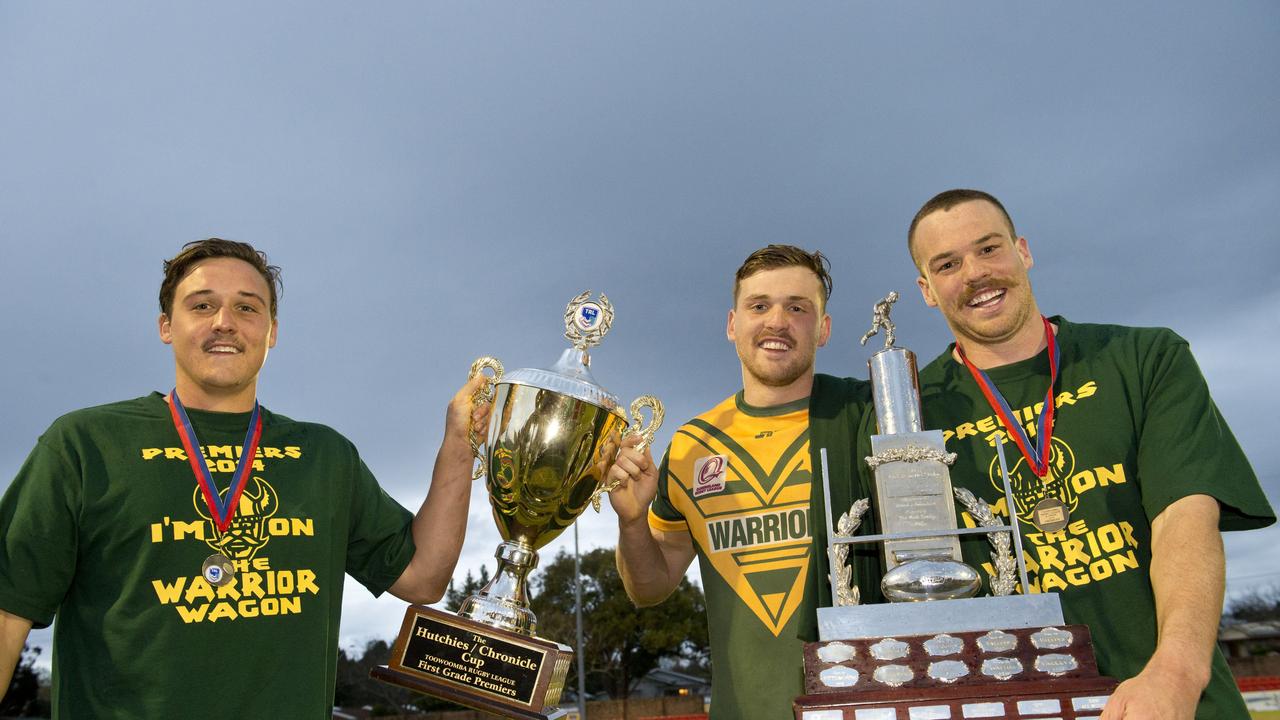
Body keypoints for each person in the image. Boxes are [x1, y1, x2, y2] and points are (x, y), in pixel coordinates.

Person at [0, 239, 489, 718]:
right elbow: (7, 614)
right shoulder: (85, 445)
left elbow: (423, 579)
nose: (224, 323)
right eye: (202, 305)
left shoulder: (325, 457)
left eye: (247, 308)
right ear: (166, 326)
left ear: (272, 331)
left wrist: (458, 445)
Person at [905, 189, 1275, 719]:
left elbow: (1184, 520)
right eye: (947, 264)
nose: (975, 273)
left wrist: (1175, 672)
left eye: (989, 249)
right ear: (926, 290)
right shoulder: (911, 412)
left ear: (1023, 251)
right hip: (1013, 704)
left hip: (1168, 700)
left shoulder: (1144, 358)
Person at [607, 245, 875, 720]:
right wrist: (631, 522)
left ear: (825, 328)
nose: (777, 321)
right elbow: (649, 588)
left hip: (864, 704)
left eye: (797, 307)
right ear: (733, 324)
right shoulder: (693, 445)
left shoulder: (866, 416)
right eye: (759, 306)